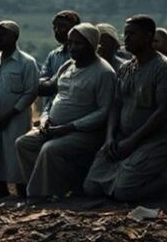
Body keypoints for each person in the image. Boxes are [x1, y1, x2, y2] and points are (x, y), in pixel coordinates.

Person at [84, 15, 167, 201]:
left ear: (148, 36)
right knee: (91, 187)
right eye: (125, 34)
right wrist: (110, 137)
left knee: (124, 192)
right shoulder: (126, 68)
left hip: (155, 140)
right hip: (123, 137)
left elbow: (162, 112)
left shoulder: (164, 69)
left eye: (132, 34)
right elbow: (116, 105)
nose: (126, 39)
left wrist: (133, 141)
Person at [16, 23, 116, 199]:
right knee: (24, 143)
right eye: (70, 43)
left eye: (78, 43)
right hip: (55, 126)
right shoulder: (68, 65)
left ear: (91, 45)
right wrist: (46, 119)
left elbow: (103, 111)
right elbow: (56, 94)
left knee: (50, 149)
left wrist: (69, 127)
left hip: (84, 132)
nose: (72, 47)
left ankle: (40, 195)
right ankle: (50, 187)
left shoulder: (103, 73)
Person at [0, 21, 38, 199]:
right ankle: (0, 188)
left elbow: (31, 92)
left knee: (14, 154)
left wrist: (9, 114)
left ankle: (22, 190)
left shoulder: (26, 62)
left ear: (15, 37)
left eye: (3, 35)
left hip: (15, 118)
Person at [38, 10, 80, 112]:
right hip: (50, 111)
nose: (57, 30)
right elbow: (41, 85)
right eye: (55, 27)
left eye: (62, 26)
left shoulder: (81, 55)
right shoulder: (53, 55)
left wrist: (52, 82)